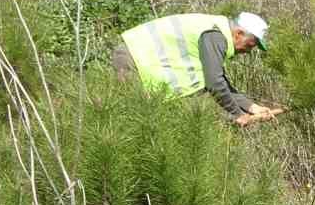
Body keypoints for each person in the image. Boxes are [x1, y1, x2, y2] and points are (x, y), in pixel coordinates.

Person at [113, 12, 280, 127]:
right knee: (131, 123)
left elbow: (219, 81)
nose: (249, 51)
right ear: (238, 33)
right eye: (250, 45)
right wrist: (238, 114)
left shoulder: (216, 32)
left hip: (138, 60)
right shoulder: (216, 35)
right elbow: (214, 82)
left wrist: (252, 107)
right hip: (133, 59)